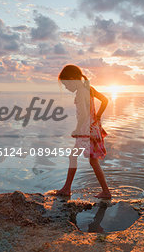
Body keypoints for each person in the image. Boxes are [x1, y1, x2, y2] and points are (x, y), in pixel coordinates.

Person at [47, 64, 111, 199]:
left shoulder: (81, 91)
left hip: (86, 130)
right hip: (93, 128)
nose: (66, 87)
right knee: (90, 160)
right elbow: (105, 100)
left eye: (66, 84)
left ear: (71, 79)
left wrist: (77, 129)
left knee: (78, 157)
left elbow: (83, 114)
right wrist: (98, 116)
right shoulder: (89, 88)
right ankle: (104, 191)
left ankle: (67, 189)